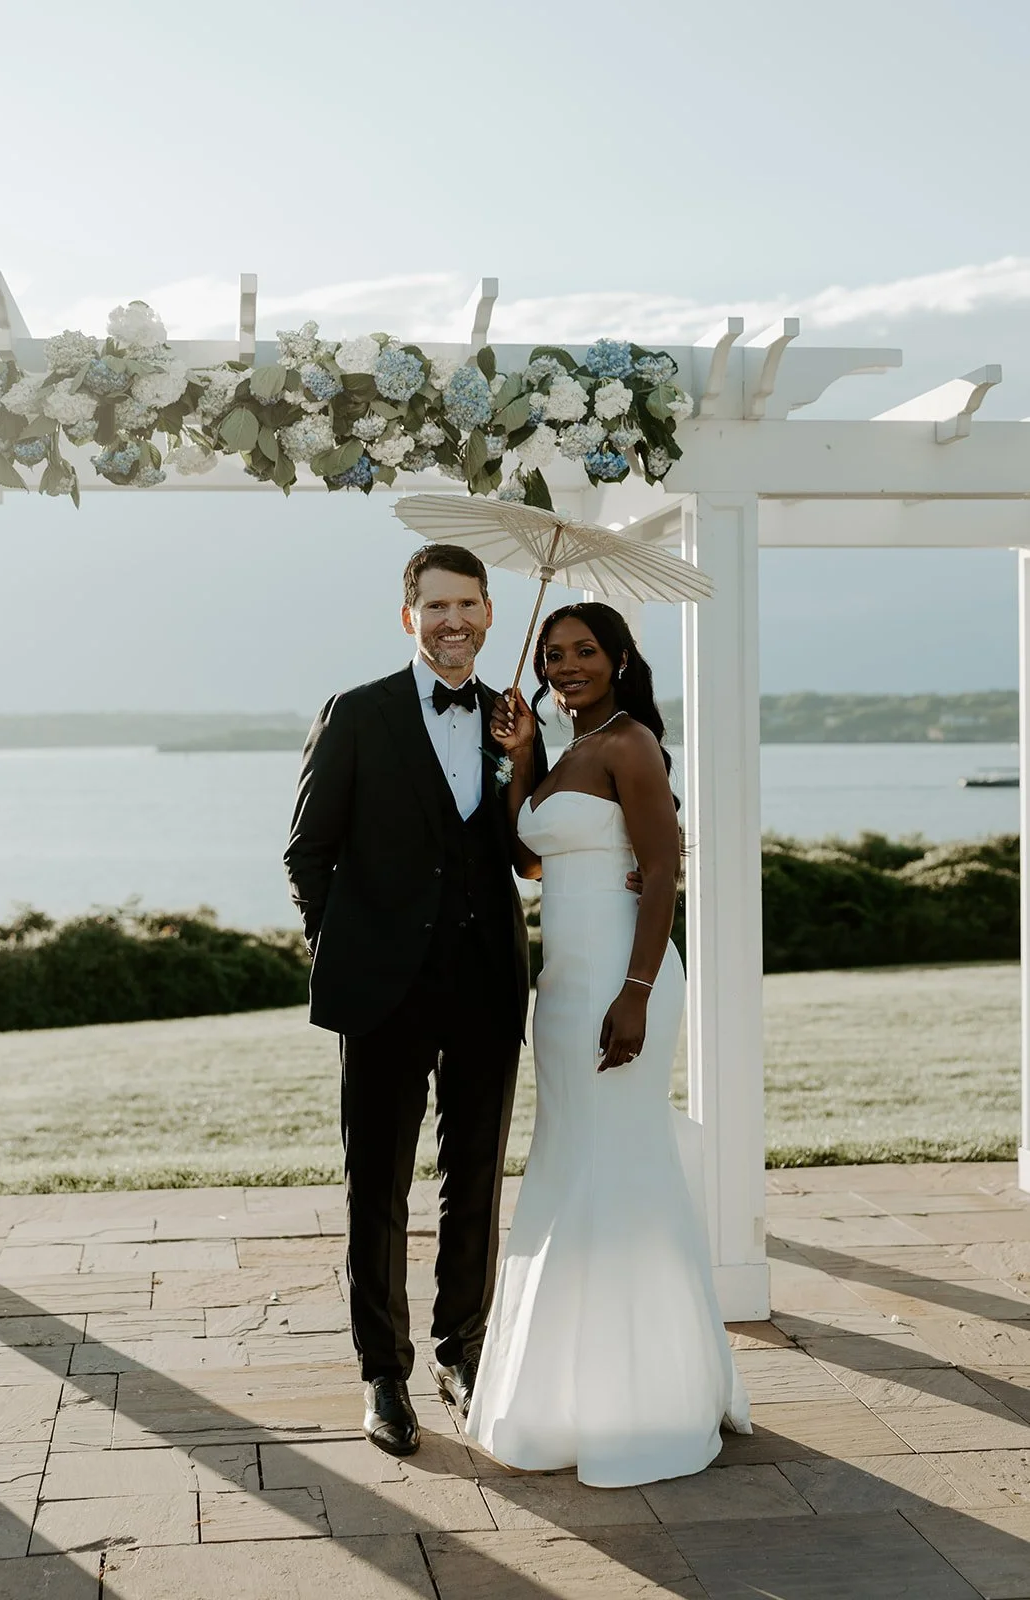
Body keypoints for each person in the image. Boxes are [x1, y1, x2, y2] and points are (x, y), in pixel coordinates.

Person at [464, 601, 751, 1488]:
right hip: (563, 988)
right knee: (567, 1166)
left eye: (584, 651)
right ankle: (567, 1392)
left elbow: (662, 868)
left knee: (618, 1165)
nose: (564, 666)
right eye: (553, 655)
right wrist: (519, 761)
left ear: (620, 658)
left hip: (622, 982)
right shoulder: (566, 753)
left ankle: (644, 1397)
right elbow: (528, 857)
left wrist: (634, 993)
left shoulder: (630, 745)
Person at [283, 544, 548, 1458]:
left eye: (468, 604)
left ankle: (460, 1350)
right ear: (410, 618)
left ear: (488, 613)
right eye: (436, 605)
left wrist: (523, 763)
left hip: (484, 982)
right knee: (378, 1187)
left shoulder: (514, 719)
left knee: (474, 1177)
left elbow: (527, 853)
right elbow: (306, 853)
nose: (453, 621)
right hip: (381, 990)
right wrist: (347, 950)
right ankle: (383, 1373)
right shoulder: (356, 714)